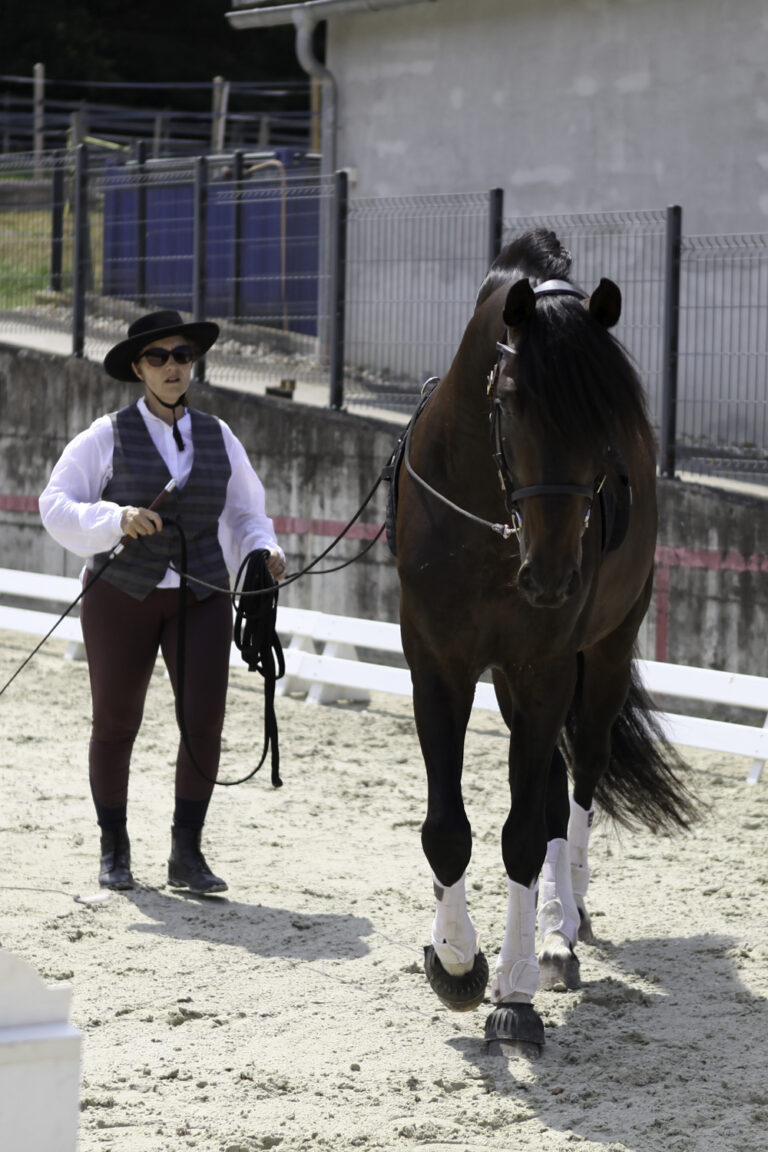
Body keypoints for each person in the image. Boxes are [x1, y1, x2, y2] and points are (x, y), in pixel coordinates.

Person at [39, 309, 286, 896]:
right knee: (117, 722)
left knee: (204, 722)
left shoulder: (219, 434)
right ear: (137, 368)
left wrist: (263, 549)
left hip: (201, 593)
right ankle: (114, 847)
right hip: (121, 594)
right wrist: (114, 517)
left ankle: (187, 852)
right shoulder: (105, 435)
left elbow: (247, 511)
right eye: (160, 357)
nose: (174, 366)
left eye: (183, 356)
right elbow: (55, 504)